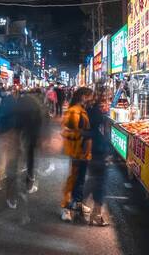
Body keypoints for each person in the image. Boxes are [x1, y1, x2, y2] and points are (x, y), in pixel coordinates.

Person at [60, 87, 93, 222]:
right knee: (73, 179)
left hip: (82, 152)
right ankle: (66, 208)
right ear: (83, 96)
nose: (92, 99)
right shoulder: (75, 111)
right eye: (90, 96)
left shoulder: (80, 109)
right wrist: (85, 135)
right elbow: (69, 131)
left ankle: (76, 204)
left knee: (79, 180)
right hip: (77, 151)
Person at [86, 92, 110, 226]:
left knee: (94, 182)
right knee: (99, 184)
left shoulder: (92, 113)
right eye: (103, 104)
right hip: (97, 154)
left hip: (95, 153)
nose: (106, 106)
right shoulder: (97, 118)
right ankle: (96, 214)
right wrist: (106, 153)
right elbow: (100, 139)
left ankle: (89, 211)